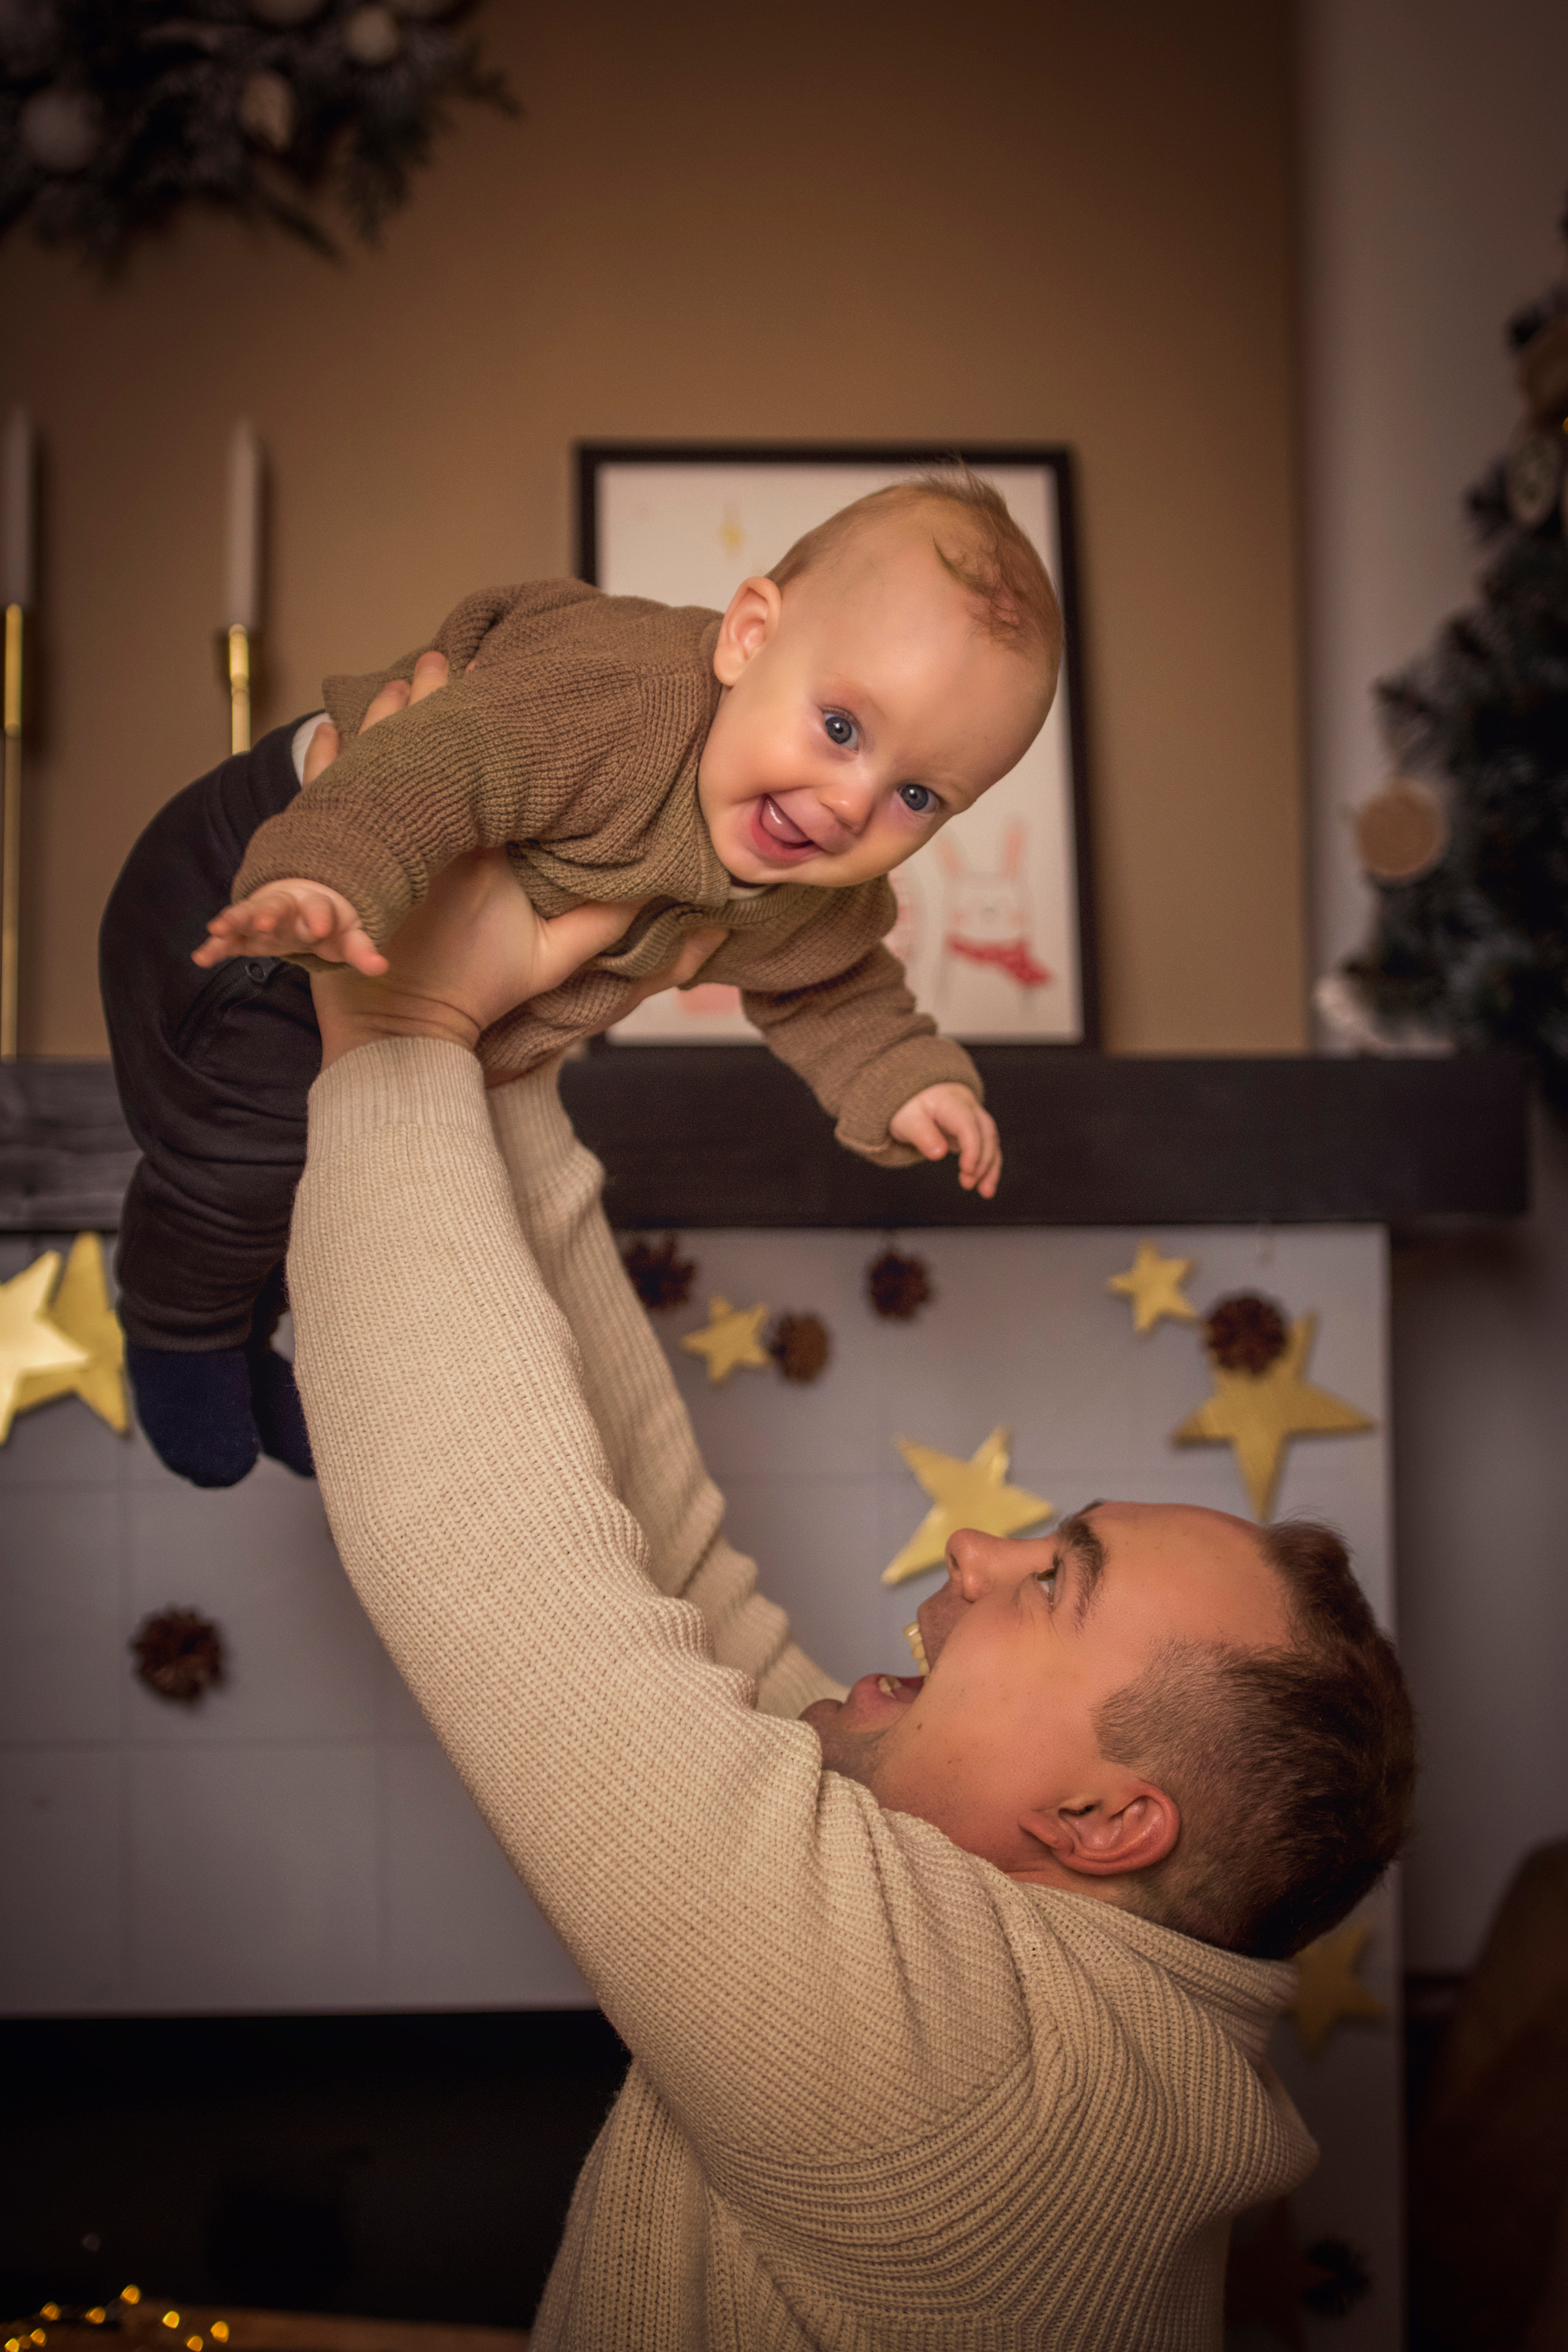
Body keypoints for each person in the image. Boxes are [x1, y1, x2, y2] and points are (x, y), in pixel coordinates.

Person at [286, 771, 1417, 2348]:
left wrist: (393, 1035)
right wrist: (504, 1057)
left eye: (1051, 1584)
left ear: (1098, 1820)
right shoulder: (1034, 1969)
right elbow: (661, 1571)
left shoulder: (971, 2077)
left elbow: (494, 1566)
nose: (975, 1545)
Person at [101, 471, 1058, 1488]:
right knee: (244, 1162)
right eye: (840, 729)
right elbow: (437, 764)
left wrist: (911, 1080)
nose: (850, 803)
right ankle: (178, 1333)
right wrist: (324, 879)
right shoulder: (616, 700)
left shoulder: (815, 887)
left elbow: (833, 986)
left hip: (402, 956)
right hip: (264, 892)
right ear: (749, 635)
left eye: (917, 794)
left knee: (334, 1180)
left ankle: (250, 1347)